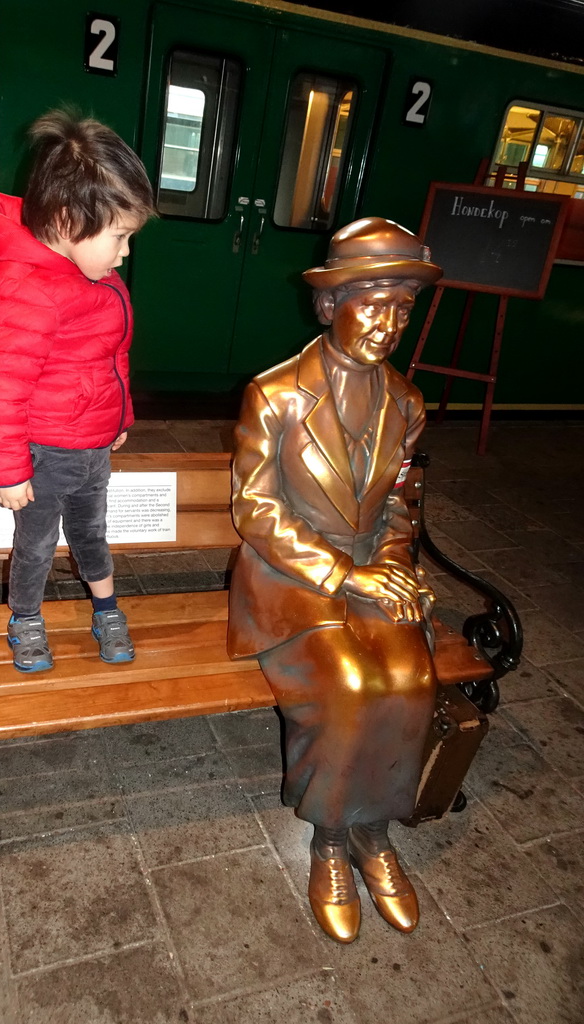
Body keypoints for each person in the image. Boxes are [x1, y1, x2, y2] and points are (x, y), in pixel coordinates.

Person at [228, 217, 443, 943]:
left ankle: (374, 834)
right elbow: (255, 510)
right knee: (351, 683)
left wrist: (394, 566)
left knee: (413, 677)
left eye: (403, 309)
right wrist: (344, 573)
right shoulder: (276, 395)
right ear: (330, 305)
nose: (389, 325)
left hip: (364, 573)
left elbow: (397, 505)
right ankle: (327, 842)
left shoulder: (405, 401)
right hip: (289, 580)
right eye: (373, 303)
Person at [0, 110, 155, 672]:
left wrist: (118, 419)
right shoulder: (21, 287)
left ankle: (107, 608)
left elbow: (113, 355)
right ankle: (25, 618)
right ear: (68, 220)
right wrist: (7, 470)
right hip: (42, 453)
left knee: (93, 534)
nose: (125, 253)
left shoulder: (99, 278)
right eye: (119, 236)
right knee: (36, 547)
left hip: (90, 445)